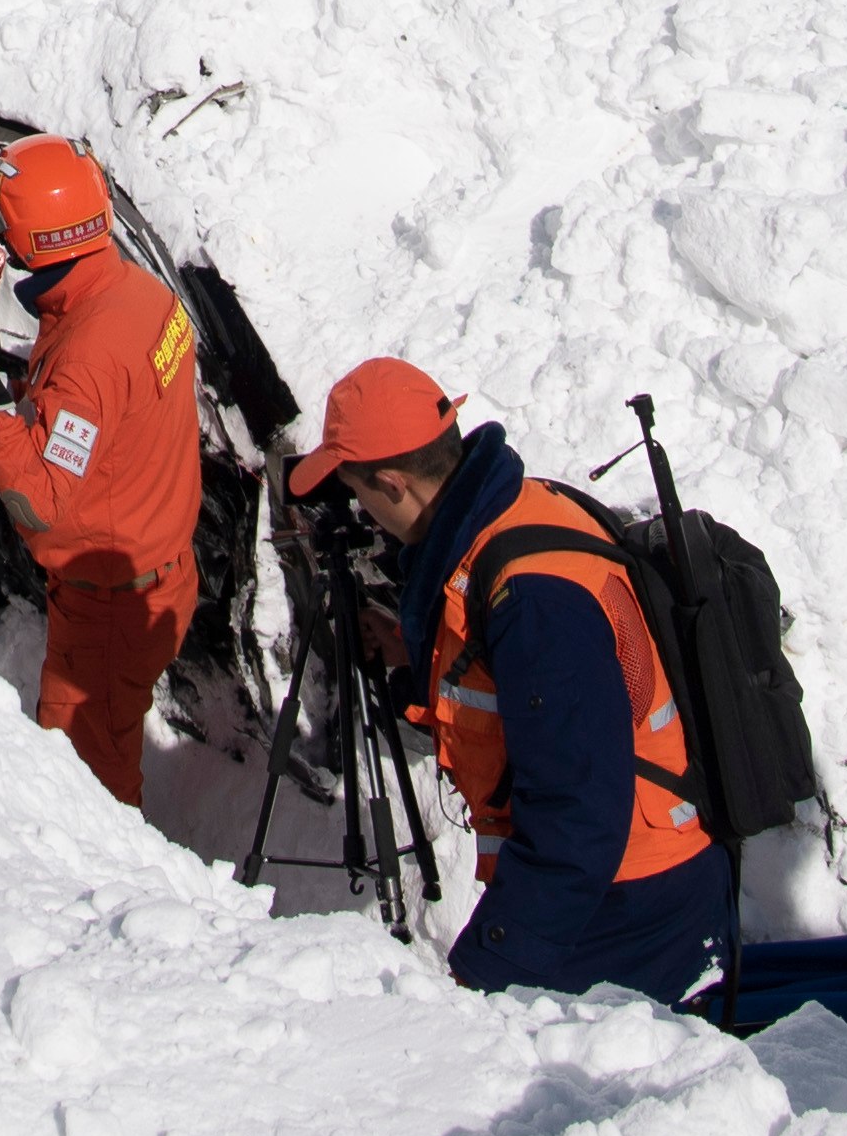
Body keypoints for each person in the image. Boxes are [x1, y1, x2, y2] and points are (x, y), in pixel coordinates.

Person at [294, 357, 727, 1008]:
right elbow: (515, 699)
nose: (361, 512)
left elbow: (577, 819)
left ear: (391, 482)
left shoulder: (532, 598)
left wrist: (489, 968)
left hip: (624, 906)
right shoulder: (517, 514)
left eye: (358, 492)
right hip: (613, 887)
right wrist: (416, 663)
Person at [0, 136, 202, 802]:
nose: (1, 241)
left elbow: (41, 505)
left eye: (6, 228)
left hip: (108, 611)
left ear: (39, 237)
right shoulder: (137, 291)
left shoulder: (89, 353)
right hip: (157, 563)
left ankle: (112, 903)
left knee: (85, 792)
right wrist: (19, 381)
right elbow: (110, 418)